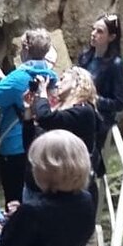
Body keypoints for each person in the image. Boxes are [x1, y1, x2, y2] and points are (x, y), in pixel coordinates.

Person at [0, 28, 58, 207]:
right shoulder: (51, 77)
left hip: (16, 144)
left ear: (25, 49)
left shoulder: (19, 77)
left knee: (13, 198)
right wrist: (5, 79)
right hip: (40, 144)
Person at [22, 67, 101, 204]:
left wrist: (42, 92)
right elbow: (31, 144)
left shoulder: (84, 112)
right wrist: (28, 110)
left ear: (77, 82)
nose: (57, 84)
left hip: (61, 193)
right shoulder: (58, 110)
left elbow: (46, 118)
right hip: (36, 185)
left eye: (63, 79)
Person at [78, 13, 123, 175]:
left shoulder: (116, 64)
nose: (93, 33)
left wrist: (94, 99)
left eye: (99, 31)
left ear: (111, 37)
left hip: (98, 118)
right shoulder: (85, 56)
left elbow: (119, 103)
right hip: (81, 109)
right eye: (93, 29)